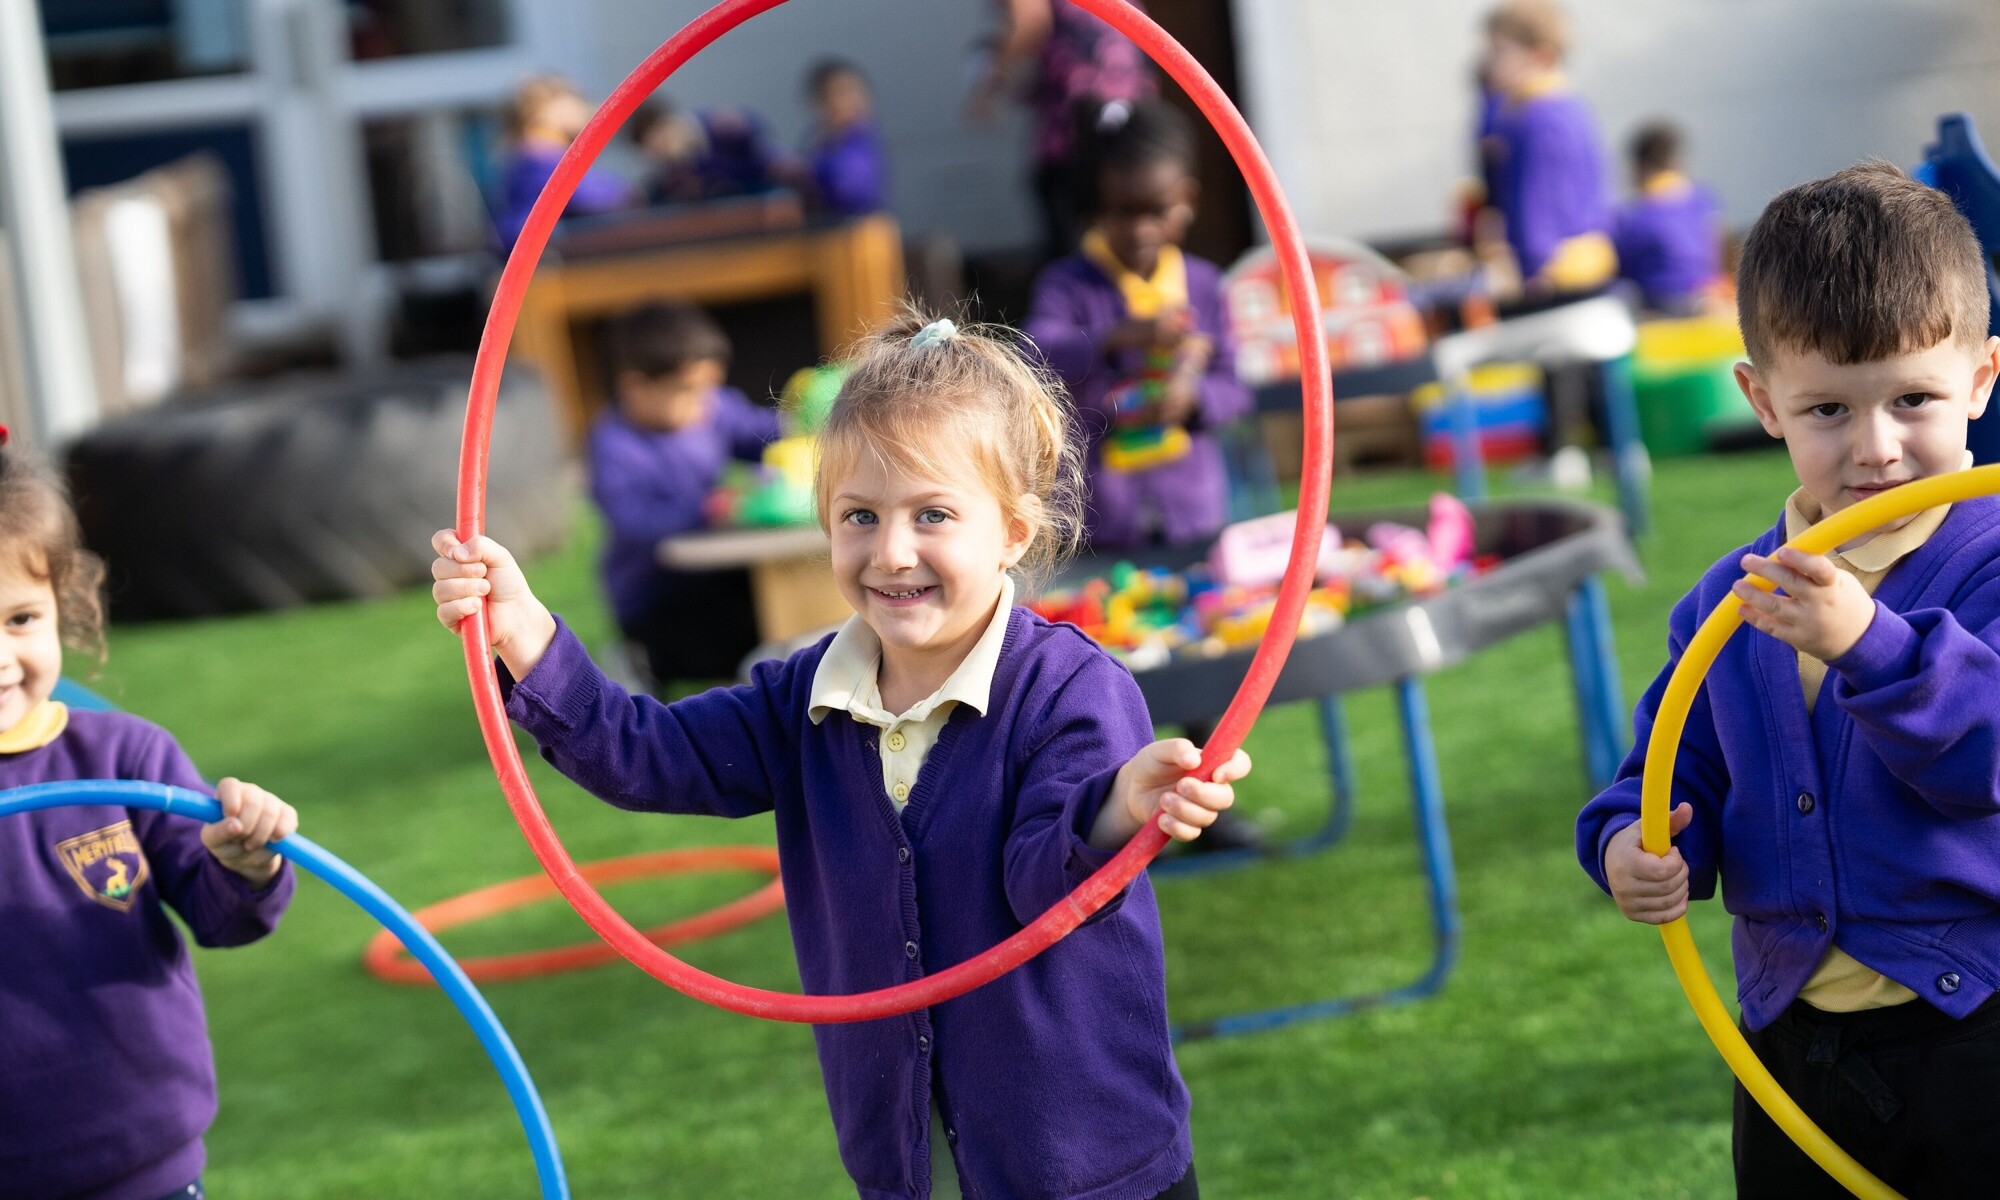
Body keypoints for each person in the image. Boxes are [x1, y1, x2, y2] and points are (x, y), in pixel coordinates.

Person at [434, 312, 1246, 1199]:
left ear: (1013, 531)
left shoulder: (1069, 692)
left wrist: (1119, 808)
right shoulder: (803, 698)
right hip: (911, 1165)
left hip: (1085, 1166)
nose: (892, 552)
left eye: (933, 514)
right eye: (859, 516)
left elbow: (1041, 885)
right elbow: (646, 751)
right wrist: (526, 637)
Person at [1576, 162, 2000, 1198]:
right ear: (1760, 400)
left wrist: (1874, 644)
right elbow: (1668, 773)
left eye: (1913, 399)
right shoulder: (1729, 602)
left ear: (1980, 381)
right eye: (1825, 411)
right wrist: (1629, 844)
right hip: (1789, 1043)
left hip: (1976, 1028)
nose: (1875, 450)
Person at [0, 428, 299, 1200]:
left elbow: (223, 917)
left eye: (20, 620)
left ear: (62, 607)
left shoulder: (124, 761)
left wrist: (246, 862)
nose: (1, 657)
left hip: (145, 1165)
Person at [1025, 98, 1249, 552]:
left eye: (1156, 211)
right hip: (1101, 517)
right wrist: (1115, 337)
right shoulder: (1068, 285)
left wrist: (1193, 399)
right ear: (1096, 205)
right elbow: (1035, 351)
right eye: (1122, 212)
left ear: (1186, 201)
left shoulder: (1203, 284)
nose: (1140, 229)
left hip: (1193, 512)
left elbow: (1234, 384)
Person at [588, 302, 780, 685]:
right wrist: (713, 506)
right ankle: (643, 661)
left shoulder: (711, 408)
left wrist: (801, 428)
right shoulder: (616, 448)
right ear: (635, 388)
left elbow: (762, 431)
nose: (704, 402)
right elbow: (639, 522)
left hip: (720, 569)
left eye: (710, 387)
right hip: (657, 595)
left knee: (778, 599)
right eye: (687, 390)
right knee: (739, 637)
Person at [973, 0, 1158, 262]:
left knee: (1070, 221)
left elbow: (1030, 19)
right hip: (1130, 109)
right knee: (1123, 209)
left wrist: (990, 82)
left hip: (1078, 124)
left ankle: (1077, 294)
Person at [1478, 0, 1615, 294]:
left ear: (1541, 55)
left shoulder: (1540, 117)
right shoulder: (1564, 107)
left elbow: (1538, 205)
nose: (1491, 63)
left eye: (1500, 52)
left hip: (1557, 274)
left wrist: (1534, 270)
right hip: (1576, 268)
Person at [493, 74, 636, 251]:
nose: (582, 107)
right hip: (546, 261)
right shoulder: (539, 156)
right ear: (546, 110)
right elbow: (595, 195)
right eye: (574, 97)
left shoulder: (527, 156)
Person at [1612, 121, 1724, 315]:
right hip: (1706, 295)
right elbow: (1716, 247)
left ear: (1640, 166)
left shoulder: (1634, 216)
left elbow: (1621, 267)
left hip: (1661, 304)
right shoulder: (1702, 199)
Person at [802, 58, 889, 219]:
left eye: (853, 91)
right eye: (838, 93)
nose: (850, 100)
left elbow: (850, 192)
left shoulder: (859, 142)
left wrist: (805, 177)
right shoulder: (818, 142)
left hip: (860, 233)